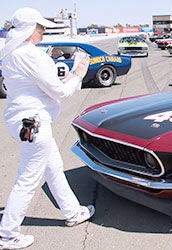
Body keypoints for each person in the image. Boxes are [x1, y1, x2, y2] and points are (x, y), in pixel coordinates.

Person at [0, 8, 94, 249]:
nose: (43, 31)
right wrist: (78, 74)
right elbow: (60, 92)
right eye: (40, 27)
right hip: (35, 124)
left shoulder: (12, 52)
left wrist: (67, 77)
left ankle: (73, 212)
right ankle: (8, 234)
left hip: (22, 120)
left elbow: (41, 87)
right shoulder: (31, 55)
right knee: (27, 179)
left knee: (54, 169)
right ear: (29, 29)